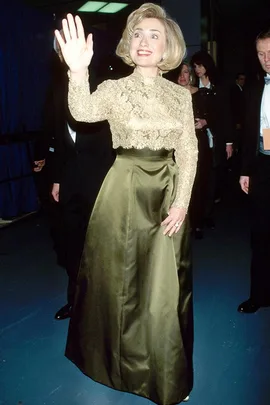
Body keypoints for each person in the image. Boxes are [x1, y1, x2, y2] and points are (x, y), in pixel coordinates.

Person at [55, 3, 197, 404]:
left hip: (168, 194)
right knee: (118, 284)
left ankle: (166, 374)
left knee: (165, 289)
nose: (144, 41)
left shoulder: (179, 96)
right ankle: (116, 364)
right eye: (137, 34)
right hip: (123, 190)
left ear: (168, 44)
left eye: (154, 34)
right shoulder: (115, 89)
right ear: (127, 43)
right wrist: (78, 70)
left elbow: (188, 151)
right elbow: (82, 112)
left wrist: (182, 202)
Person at [47, 34, 113, 320]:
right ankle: (76, 300)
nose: (65, 54)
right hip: (71, 180)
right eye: (61, 50)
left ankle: (105, 305)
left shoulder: (101, 85)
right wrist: (58, 179)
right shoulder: (56, 89)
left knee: (103, 246)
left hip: (101, 179)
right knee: (72, 244)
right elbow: (59, 138)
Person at [238, 28, 270, 314]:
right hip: (262, 165)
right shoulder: (255, 87)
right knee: (260, 234)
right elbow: (250, 132)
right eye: (261, 54)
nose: (266, 59)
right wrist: (245, 170)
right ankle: (259, 295)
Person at [190, 51, 233, 223]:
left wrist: (229, 142)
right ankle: (200, 215)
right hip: (199, 138)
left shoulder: (219, 86)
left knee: (214, 176)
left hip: (216, 136)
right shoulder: (194, 85)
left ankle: (208, 212)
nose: (197, 70)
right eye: (194, 67)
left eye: (200, 66)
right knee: (202, 176)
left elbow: (226, 115)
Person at [178, 62, 213, 239]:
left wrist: (204, 122)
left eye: (185, 72)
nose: (182, 76)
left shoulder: (201, 94)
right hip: (177, 143)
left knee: (198, 181)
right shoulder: (171, 94)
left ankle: (197, 222)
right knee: (180, 182)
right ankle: (183, 221)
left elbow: (214, 115)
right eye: (179, 73)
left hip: (198, 142)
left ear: (190, 74)